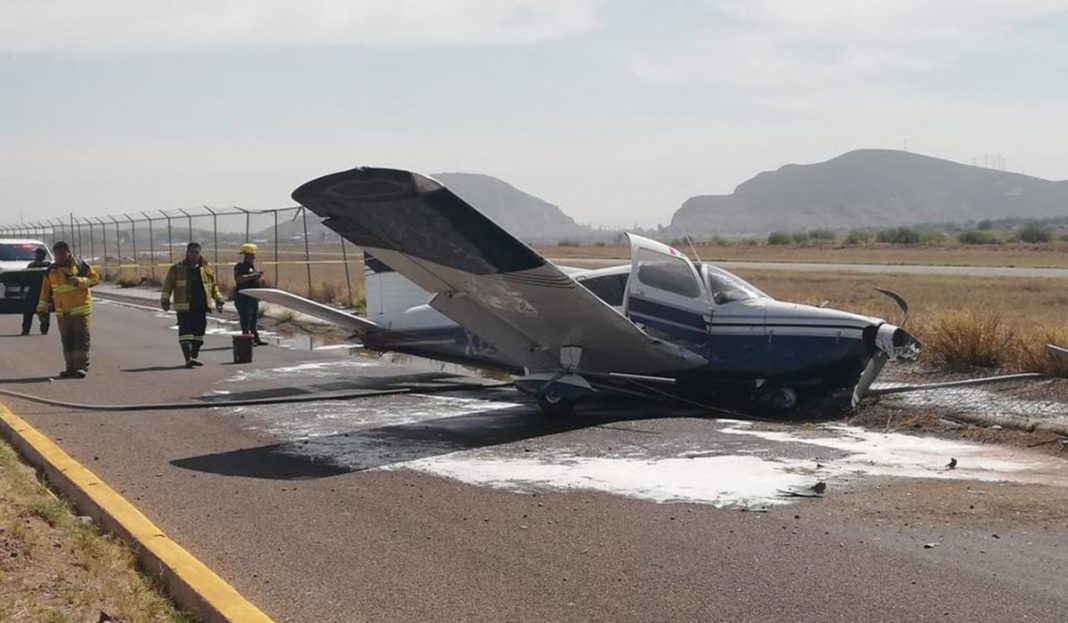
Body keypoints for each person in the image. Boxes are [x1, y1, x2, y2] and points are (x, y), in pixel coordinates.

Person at [37, 241, 99, 378]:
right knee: (67, 340)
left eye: (62, 254)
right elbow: (45, 292)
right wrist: (41, 310)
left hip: (81, 311)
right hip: (62, 313)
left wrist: (80, 281)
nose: (59, 257)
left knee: (81, 339)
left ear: (68, 252)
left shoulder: (80, 265)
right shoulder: (51, 271)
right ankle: (70, 368)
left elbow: (95, 279)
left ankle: (81, 367)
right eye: (57, 254)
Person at [160, 242, 225, 368]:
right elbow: (168, 286)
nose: (194, 255)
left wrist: (218, 299)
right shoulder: (177, 268)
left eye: (196, 252)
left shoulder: (206, 268)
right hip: (184, 306)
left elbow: (213, 287)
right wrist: (165, 300)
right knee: (185, 332)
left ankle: (194, 356)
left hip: (201, 306)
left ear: (200, 253)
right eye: (191, 252)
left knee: (199, 332)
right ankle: (188, 358)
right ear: (187, 253)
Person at [233, 242, 267, 345]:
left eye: (253, 256)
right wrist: (253, 276)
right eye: (251, 256)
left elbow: (252, 278)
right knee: (246, 318)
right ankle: (247, 339)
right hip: (243, 298)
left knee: (253, 319)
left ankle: (255, 338)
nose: (253, 258)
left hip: (253, 297)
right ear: (245, 256)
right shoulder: (240, 267)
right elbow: (239, 279)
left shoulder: (251, 267)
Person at [22, 247, 51, 336]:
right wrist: (23, 289)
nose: (37, 255)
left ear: (43, 255)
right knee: (28, 312)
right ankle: (25, 330)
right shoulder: (31, 265)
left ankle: (44, 329)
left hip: (44, 292)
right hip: (33, 291)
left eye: (39, 253)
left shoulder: (48, 265)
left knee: (44, 312)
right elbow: (26, 278)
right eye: (36, 253)